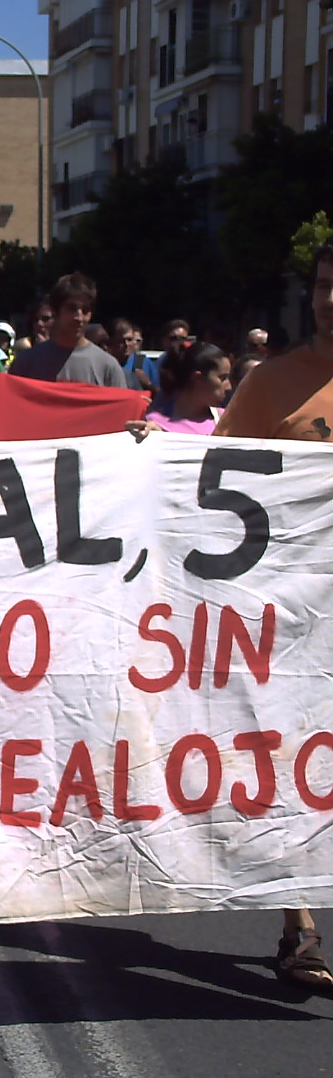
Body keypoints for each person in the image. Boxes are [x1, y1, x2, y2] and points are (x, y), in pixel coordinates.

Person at [212, 242, 333, 991]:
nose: (331, 299)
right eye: (325, 285)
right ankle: (301, 928)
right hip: (293, 617)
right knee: (293, 763)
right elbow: (206, 481)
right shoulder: (270, 385)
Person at [8, 274, 128, 387]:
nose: (79, 318)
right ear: (55, 311)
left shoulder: (107, 367)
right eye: (72, 308)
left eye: (85, 310)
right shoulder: (26, 363)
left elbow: (122, 407)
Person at [124, 342, 230, 438]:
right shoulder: (156, 424)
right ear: (198, 378)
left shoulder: (227, 420)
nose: (229, 387)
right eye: (222, 378)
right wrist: (155, 438)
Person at [108, 317, 158, 392]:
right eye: (121, 341)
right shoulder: (105, 362)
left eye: (129, 339)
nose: (126, 344)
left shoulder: (140, 361)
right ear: (111, 341)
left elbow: (161, 394)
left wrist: (147, 384)